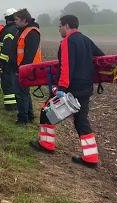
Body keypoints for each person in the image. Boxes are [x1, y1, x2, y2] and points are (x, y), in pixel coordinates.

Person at [29, 15, 105, 168]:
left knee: (46, 112)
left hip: (70, 88)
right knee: (81, 120)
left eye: (60, 26)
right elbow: (101, 57)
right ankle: (91, 158)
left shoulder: (67, 41)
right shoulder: (85, 40)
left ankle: (46, 145)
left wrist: (61, 88)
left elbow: (66, 66)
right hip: (86, 88)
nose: (59, 29)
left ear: (67, 26)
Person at [13, 9, 42, 125]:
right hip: (25, 68)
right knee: (24, 93)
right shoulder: (24, 30)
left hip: (27, 69)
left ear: (24, 20)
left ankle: (22, 119)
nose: (15, 22)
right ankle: (29, 116)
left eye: (16, 19)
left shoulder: (32, 32)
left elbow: (29, 54)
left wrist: (20, 70)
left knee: (20, 94)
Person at [0, 8, 19, 112]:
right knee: (14, 83)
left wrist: (1, 62)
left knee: (8, 84)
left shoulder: (7, 30)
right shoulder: (18, 28)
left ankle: (11, 107)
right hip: (16, 61)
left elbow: (6, 49)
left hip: (7, 62)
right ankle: (15, 105)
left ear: (6, 18)